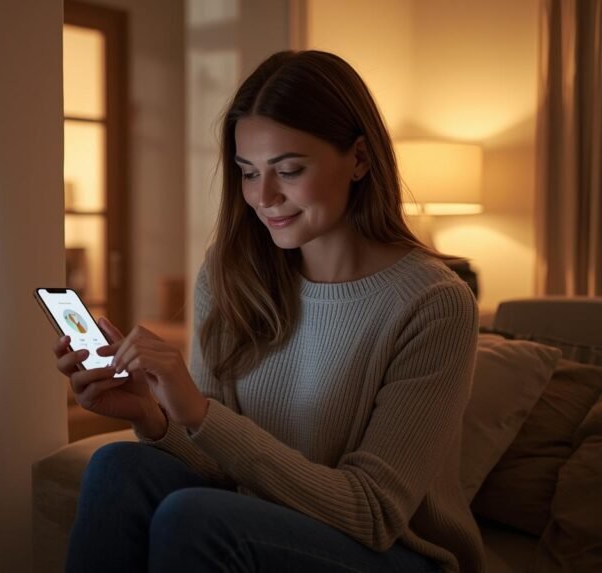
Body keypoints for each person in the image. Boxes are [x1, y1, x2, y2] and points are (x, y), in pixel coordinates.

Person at [51, 50, 484, 572]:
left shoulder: (434, 303)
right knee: (117, 466)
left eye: (289, 170)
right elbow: (221, 466)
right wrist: (150, 413)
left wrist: (200, 413)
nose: (264, 197)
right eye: (249, 173)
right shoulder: (230, 272)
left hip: (395, 554)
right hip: (269, 521)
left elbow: (374, 514)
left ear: (360, 159)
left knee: (195, 519)